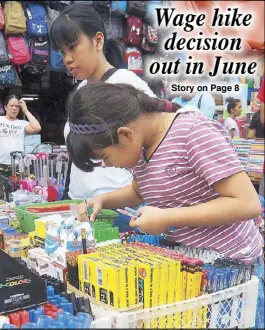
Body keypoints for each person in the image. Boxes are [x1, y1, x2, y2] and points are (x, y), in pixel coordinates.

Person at [66, 82, 263, 328]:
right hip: (190, 268)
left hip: (231, 274)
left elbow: (247, 203)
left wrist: (168, 217)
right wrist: (103, 200)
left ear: (125, 134)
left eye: (104, 157)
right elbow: (140, 190)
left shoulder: (193, 133)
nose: (105, 165)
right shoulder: (142, 146)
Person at [50, 4, 155, 200]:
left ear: (97, 40)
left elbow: (156, 144)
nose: (67, 59)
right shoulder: (80, 91)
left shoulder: (126, 84)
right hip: (79, 203)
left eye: (72, 47)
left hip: (119, 207)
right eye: (62, 52)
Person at [0, 95, 41, 179]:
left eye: (17, 106)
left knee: (18, 190)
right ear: (5, 107)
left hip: (17, 165)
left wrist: (26, 110)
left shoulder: (22, 123)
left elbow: (37, 127)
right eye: (11, 106)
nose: (14, 108)